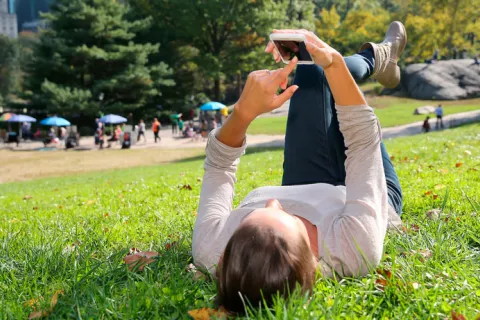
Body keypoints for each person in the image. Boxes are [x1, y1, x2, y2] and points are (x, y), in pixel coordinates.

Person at [126, 22, 406, 313]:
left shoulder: (212, 249)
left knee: (308, 68)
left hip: (307, 182)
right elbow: (362, 141)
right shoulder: (353, 248)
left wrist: (244, 112)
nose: (274, 201)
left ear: (225, 255)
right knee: (325, 73)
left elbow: (219, 165)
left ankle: (376, 58)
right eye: (288, 218)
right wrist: (334, 63)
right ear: (313, 258)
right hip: (364, 194)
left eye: (251, 219)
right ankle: (377, 57)